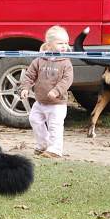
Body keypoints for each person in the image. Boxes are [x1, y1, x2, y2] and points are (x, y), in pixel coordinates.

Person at [20, 25, 74, 158]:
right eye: (60, 43)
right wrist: (25, 88)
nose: (64, 46)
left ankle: (55, 150)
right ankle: (43, 145)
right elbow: (29, 75)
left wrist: (56, 91)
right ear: (49, 45)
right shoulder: (39, 60)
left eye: (66, 43)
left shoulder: (66, 63)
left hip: (57, 103)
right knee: (34, 119)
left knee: (54, 126)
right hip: (40, 101)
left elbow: (67, 80)